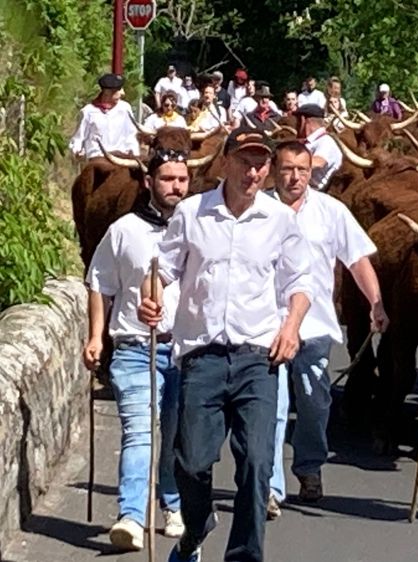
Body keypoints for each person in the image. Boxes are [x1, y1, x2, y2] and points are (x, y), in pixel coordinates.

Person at [139, 128, 312, 562]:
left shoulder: (280, 220)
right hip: (202, 357)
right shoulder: (192, 213)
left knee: (257, 463)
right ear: (225, 162)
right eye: (244, 161)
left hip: (259, 358)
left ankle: (244, 555)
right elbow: (161, 268)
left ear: (268, 169)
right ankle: (197, 525)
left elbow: (300, 283)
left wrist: (290, 327)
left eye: (260, 163)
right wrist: (150, 298)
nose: (252, 171)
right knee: (192, 462)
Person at [265, 141, 388, 518]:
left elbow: (357, 259)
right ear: (274, 170)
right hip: (266, 324)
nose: (295, 177)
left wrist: (377, 303)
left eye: (302, 170)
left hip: (315, 324)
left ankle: (309, 465)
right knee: (273, 406)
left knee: (315, 402)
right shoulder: (258, 209)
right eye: (287, 169)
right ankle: (269, 486)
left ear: (311, 172)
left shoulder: (331, 211)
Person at [84, 148, 190, 552]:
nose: (176, 186)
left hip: (185, 350)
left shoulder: (198, 230)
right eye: (167, 179)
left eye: (181, 179)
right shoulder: (123, 230)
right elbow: (100, 284)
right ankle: (131, 515)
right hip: (134, 347)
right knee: (141, 432)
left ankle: (173, 503)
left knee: (179, 438)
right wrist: (96, 337)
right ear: (148, 182)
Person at [68, 73, 139, 160]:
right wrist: (77, 151)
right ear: (107, 93)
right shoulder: (88, 112)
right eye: (118, 90)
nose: (122, 93)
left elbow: (131, 134)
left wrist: (134, 153)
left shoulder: (125, 108)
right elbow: (78, 137)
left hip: (120, 158)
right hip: (97, 158)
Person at [293, 104, 343, 191]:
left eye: (297, 121)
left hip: (319, 193)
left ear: (303, 120)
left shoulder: (325, 141)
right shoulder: (313, 141)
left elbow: (319, 162)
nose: (296, 126)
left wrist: (287, 163)